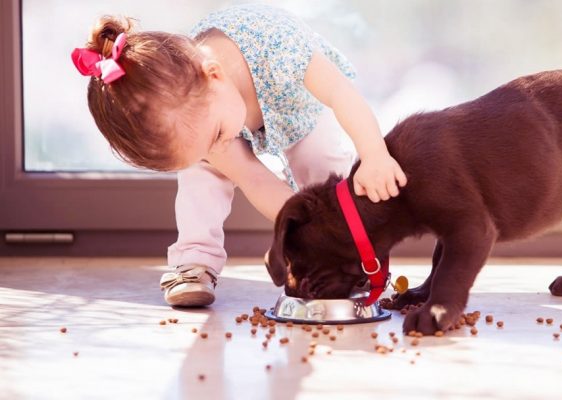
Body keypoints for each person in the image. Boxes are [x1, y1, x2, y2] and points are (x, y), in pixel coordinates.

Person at [71, 4, 407, 307]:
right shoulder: (199, 114)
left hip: (299, 104)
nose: (216, 151)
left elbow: (341, 93)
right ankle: (194, 260)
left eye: (215, 137)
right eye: (202, 148)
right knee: (201, 176)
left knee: (321, 162)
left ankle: (349, 258)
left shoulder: (279, 48)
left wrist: (374, 153)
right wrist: (296, 233)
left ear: (214, 75)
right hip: (219, 111)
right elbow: (253, 177)